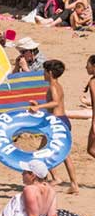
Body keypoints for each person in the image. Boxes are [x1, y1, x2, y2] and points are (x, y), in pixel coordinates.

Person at [34, 59, 82, 193]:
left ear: (49, 72)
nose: (43, 74)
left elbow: (55, 103)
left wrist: (39, 107)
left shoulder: (53, 86)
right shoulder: (57, 85)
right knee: (65, 154)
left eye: (44, 71)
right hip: (62, 120)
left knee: (41, 151)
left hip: (56, 123)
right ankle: (72, 184)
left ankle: (52, 179)